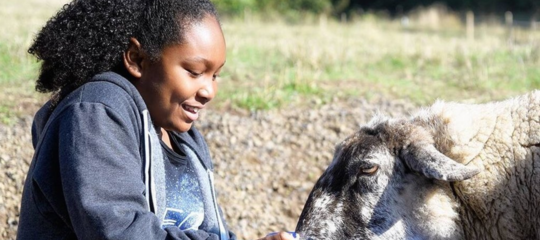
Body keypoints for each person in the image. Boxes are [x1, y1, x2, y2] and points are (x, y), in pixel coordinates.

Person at [16, 0, 296, 239]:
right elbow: (120, 232)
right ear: (137, 59)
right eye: (194, 71)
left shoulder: (186, 141)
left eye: (215, 75)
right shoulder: (96, 113)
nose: (209, 91)